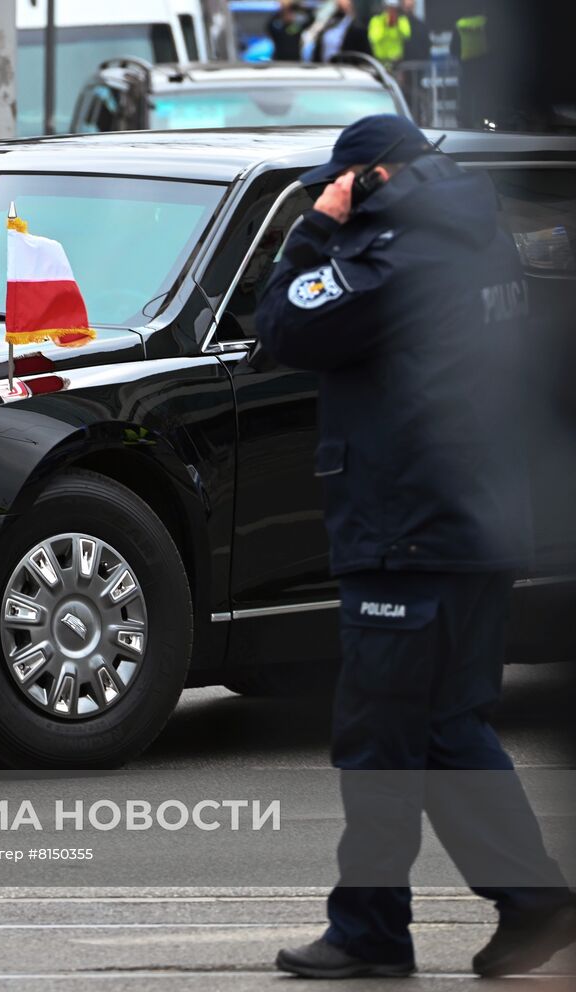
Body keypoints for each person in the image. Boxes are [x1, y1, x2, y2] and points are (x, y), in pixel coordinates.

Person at [258, 114, 576, 980]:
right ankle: (533, 905)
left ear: (376, 177)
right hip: (470, 527)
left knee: (379, 741)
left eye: (347, 181)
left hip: (410, 532)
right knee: (446, 729)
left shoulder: (398, 251)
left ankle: (370, 933)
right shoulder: (477, 233)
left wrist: (316, 226)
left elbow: (288, 328)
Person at [366, 0, 414, 69]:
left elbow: (407, 35)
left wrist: (397, 24)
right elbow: (374, 38)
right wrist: (385, 25)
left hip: (397, 62)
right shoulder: (376, 20)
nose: (391, 12)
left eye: (394, 9)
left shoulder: (402, 20)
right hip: (380, 61)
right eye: (389, 9)